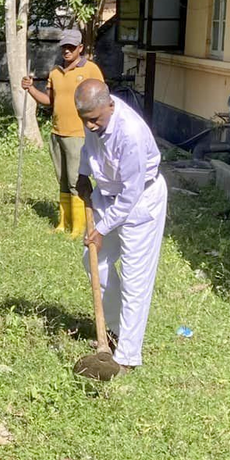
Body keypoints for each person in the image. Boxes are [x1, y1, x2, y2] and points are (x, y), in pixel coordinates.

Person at [72, 79, 168, 380]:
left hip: (141, 203)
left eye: (96, 119)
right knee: (94, 262)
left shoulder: (131, 134)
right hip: (107, 195)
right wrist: (84, 174)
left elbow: (131, 194)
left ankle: (127, 357)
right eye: (85, 120)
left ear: (110, 106)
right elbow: (90, 149)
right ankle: (110, 331)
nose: (91, 126)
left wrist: (101, 228)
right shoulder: (93, 120)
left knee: (136, 280)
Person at [21, 27, 104, 237]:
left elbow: (101, 99)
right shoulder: (55, 72)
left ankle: (81, 224)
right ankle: (63, 220)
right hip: (57, 133)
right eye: (64, 47)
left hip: (79, 134)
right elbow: (49, 101)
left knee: (77, 179)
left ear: (80, 48)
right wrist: (30, 89)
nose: (67, 51)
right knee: (63, 179)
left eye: (71, 47)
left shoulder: (91, 69)